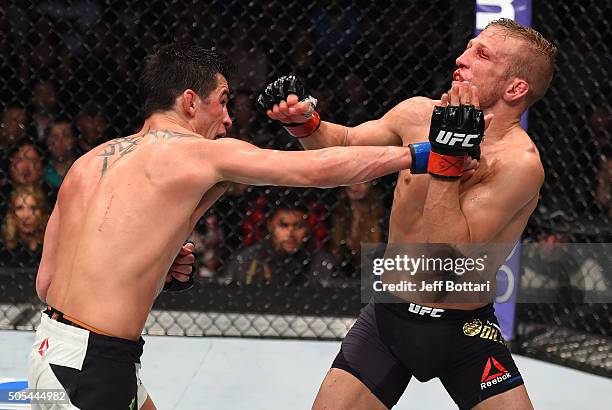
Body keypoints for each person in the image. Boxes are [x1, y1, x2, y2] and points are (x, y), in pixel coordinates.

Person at [30, 43, 433, 410]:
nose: (226, 119)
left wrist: (152, 268)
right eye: (221, 103)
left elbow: (47, 284)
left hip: (51, 352)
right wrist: (420, 154)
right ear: (190, 101)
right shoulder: (197, 155)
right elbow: (318, 170)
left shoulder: (87, 163)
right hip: (91, 365)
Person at [258, 18, 556, 410]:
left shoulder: (520, 164)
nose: (461, 58)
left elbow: (449, 256)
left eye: (481, 55)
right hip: (389, 316)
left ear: (516, 88)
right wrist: (305, 123)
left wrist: (445, 160)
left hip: (463, 330)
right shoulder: (418, 113)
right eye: (468, 46)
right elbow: (345, 142)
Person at [225, 189, 336, 286]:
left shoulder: (320, 261)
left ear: (307, 228)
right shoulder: (247, 259)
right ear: (270, 225)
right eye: (283, 225)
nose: (291, 233)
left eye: (299, 226)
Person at [0, 184, 50, 268]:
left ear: (42, 213)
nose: (26, 215)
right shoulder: (4, 251)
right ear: (12, 213)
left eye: (33, 208)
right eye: (19, 208)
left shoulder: (51, 249)